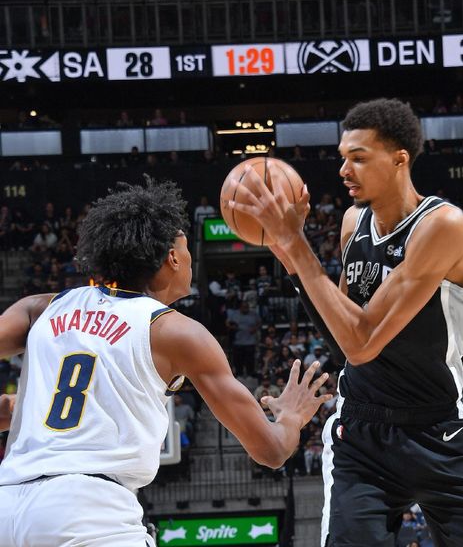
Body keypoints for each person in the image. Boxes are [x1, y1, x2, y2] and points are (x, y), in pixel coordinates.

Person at [227, 98, 463, 546]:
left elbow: (364, 342)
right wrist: (288, 252)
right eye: (343, 158)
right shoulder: (353, 223)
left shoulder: (442, 225)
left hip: (436, 429)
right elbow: (345, 339)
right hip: (361, 435)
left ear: (400, 159)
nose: (345, 170)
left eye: (359, 158)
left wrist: (296, 243)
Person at [0, 178, 330, 546]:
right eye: (186, 248)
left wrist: (13, 409)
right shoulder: (176, 332)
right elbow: (270, 450)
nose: (190, 258)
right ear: (172, 257)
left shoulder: (40, 308)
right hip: (88, 513)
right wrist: (291, 417)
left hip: (8, 503)